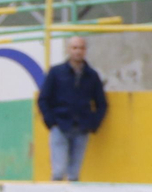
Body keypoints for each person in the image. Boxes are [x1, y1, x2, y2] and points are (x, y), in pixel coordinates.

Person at [38, 36, 107, 182]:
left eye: (81, 48)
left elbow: (102, 103)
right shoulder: (56, 72)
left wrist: (93, 124)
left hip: (81, 129)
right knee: (58, 171)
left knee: (74, 174)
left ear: (85, 51)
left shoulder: (92, 76)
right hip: (60, 126)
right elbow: (43, 99)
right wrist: (51, 122)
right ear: (68, 50)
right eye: (75, 48)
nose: (78, 51)